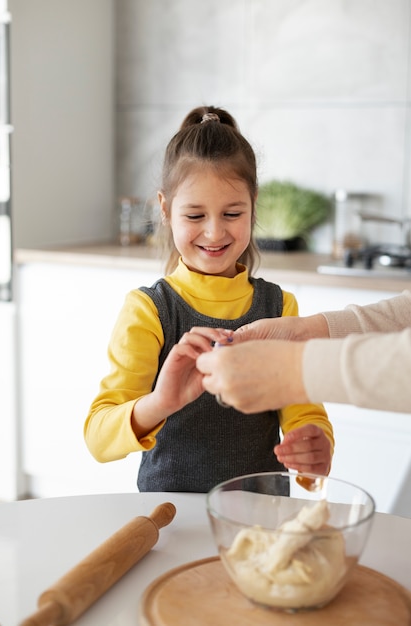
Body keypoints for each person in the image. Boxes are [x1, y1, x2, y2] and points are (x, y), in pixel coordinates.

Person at [84, 105, 334, 491]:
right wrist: (162, 403)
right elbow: (99, 437)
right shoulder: (149, 310)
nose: (215, 233)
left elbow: (303, 410)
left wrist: (315, 442)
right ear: (165, 209)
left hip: (259, 515)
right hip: (171, 517)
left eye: (232, 213)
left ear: (253, 204)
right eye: (196, 216)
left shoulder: (280, 307)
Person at [196, 290, 411, 423]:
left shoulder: (279, 301)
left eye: (232, 213)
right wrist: (304, 332)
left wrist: (294, 369)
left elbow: (304, 412)